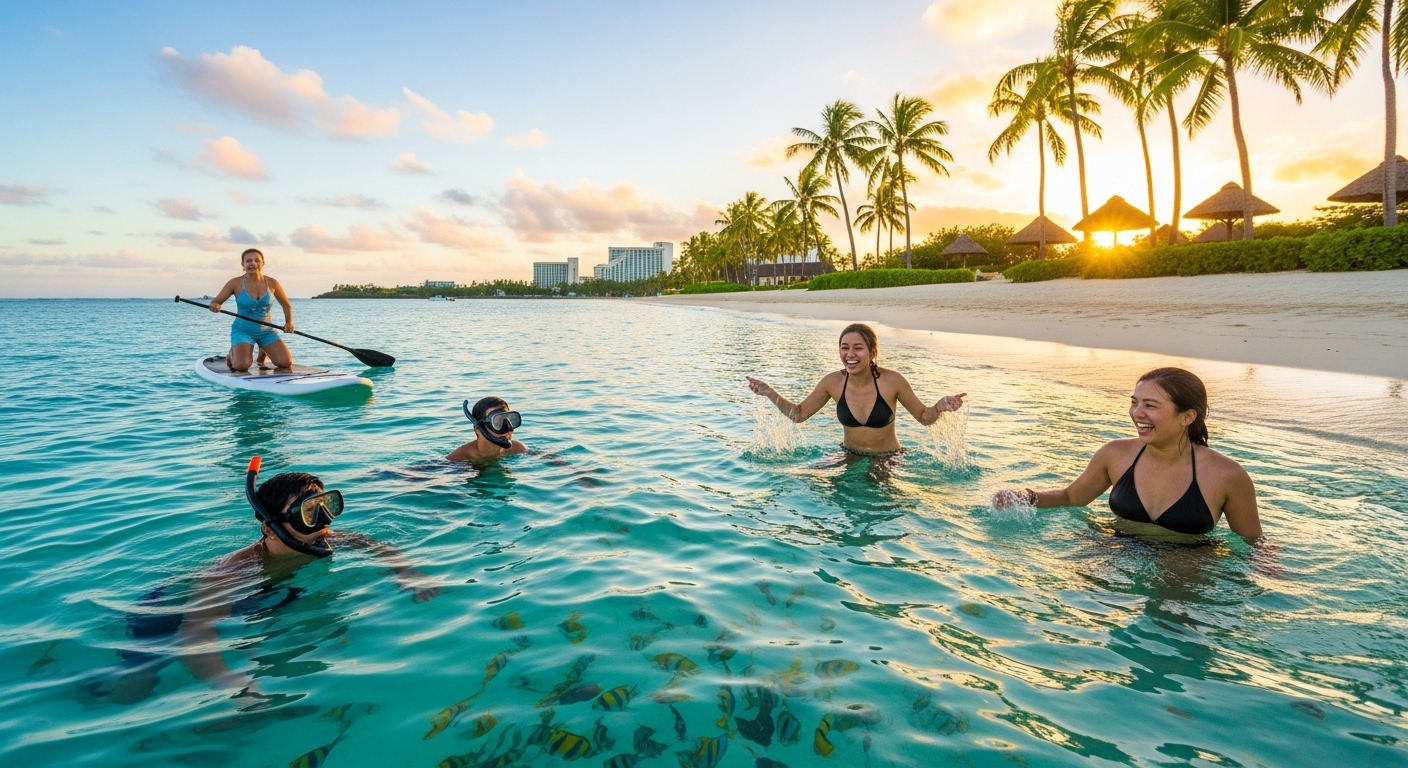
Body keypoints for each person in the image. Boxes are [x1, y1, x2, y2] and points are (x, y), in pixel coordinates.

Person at [993, 367, 1262, 538]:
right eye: (1134, 403)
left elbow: (1253, 541)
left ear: (1187, 416)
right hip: (1116, 552)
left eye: (1150, 405)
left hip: (1185, 568)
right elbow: (1071, 496)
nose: (1137, 413)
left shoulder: (1227, 475)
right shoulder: (1115, 454)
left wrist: (1269, 577)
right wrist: (1025, 497)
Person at [746, 323, 966, 455]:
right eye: (845, 348)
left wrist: (939, 406)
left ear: (872, 352)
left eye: (858, 348)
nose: (850, 354)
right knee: (806, 483)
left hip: (887, 457)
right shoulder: (832, 383)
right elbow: (799, 414)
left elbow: (924, 417)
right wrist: (770, 393)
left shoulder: (892, 382)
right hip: (847, 454)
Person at [208, 248, 294, 372]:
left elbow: (286, 305)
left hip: (266, 332)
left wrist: (289, 322)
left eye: (256, 260)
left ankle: (263, 352)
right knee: (241, 366)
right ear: (243, 264)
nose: (253, 263)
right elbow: (216, 302)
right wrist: (215, 306)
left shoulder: (272, 283)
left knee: (285, 363)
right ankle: (231, 355)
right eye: (248, 261)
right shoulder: (235, 283)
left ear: (262, 263)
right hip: (243, 331)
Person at [448, 397, 527, 461]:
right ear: (478, 429)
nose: (508, 428)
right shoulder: (459, 457)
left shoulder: (517, 448)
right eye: (497, 422)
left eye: (509, 420)